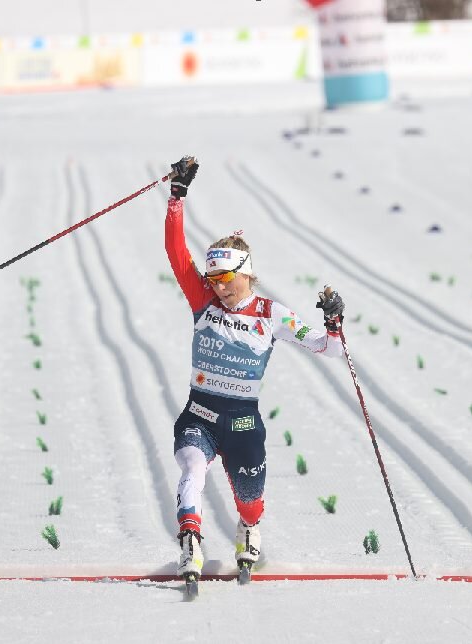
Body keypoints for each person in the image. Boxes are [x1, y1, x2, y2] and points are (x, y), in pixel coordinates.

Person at [164, 156, 346, 580]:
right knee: (192, 467)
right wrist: (177, 196)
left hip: (243, 423)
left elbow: (329, 350)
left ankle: (249, 529)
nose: (219, 287)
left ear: (246, 273)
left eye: (227, 278)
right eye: (213, 280)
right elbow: (176, 252)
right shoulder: (203, 300)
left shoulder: (272, 314)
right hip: (200, 415)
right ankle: (190, 540)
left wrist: (334, 323)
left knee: (250, 500)